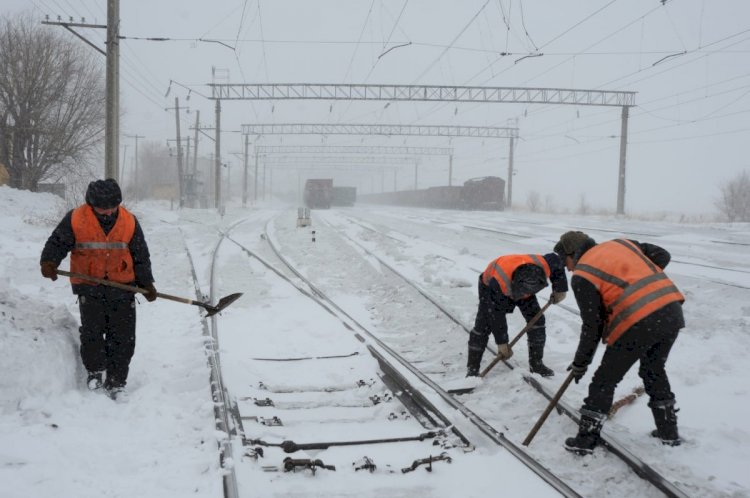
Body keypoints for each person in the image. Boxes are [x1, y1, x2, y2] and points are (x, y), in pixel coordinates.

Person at [554, 231, 685, 455]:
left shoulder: (583, 274)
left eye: (564, 262)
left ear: (573, 253)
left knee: (604, 380)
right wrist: (639, 281)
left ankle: (586, 440)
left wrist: (580, 363)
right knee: (653, 370)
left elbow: (592, 327)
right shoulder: (623, 244)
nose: (567, 269)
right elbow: (662, 255)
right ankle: (668, 432)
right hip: (670, 310)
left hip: (637, 321)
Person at [40, 179, 157, 400]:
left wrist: (147, 283)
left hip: (122, 287)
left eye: (111, 207)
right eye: (102, 207)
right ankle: (95, 373)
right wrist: (49, 262)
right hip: (89, 286)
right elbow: (57, 242)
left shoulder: (129, 221)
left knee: (122, 337)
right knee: (92, 333)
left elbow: (140, 255)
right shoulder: (76, 218)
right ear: (91, 204)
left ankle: (117, 381)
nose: (107, 212)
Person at [466, 252, 568, 378]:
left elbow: (556, 261)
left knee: (537, 321)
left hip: (522, 286)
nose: (521, 297)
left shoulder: (543, 266)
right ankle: (472, 370)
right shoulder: (498, 283)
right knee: (483, 326)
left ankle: (536, 365)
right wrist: (502, 343)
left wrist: (560, 289)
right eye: (521, 293)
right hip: (490, 288)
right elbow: (496, 317)